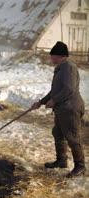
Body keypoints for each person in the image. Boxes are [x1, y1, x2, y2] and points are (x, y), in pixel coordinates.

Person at [32, 41, 85, 178]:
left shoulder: (68, 67)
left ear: (60, 56)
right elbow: (54, 91)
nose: (51, 59)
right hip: (62, 109)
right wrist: (41, 102)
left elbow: (69, 89)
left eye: (52, 56)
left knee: (72, 137)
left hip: (70, 108)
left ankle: (80, 166)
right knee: (58, 133)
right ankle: (61, 161)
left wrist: (54, 101)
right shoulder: (61, 68)